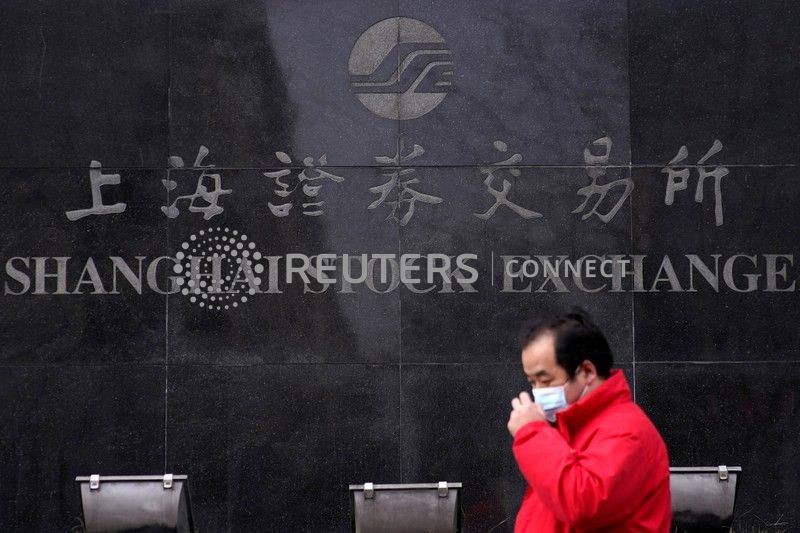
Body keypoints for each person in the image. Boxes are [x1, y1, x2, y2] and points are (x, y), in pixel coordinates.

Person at [506, 308, 671, 532]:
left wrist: (532, 433)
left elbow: (582, 503)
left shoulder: (628, 431)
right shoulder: (573, 426)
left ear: (587, 371)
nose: (538, 392)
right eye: (532, 382)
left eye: (545, 380)